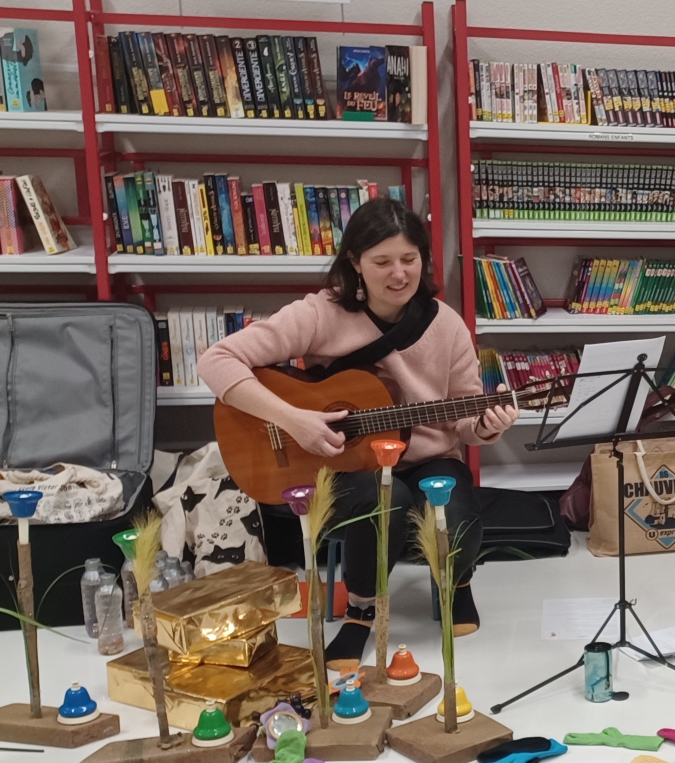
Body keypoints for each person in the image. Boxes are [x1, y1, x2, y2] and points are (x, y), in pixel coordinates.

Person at [199, 198, 517, 668]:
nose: (398, 274)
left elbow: (463, 425)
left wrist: (485, 428)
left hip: (428, 455)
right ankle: (362, 610)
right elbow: (215, 361)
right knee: (386, 501)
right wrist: (293, 419)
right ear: (354, 263)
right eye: (382, 262)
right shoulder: (319, 313)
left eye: (410, 260)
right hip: (340, 462)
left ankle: (458, 582)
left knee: (461, 515)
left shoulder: (447, 325)